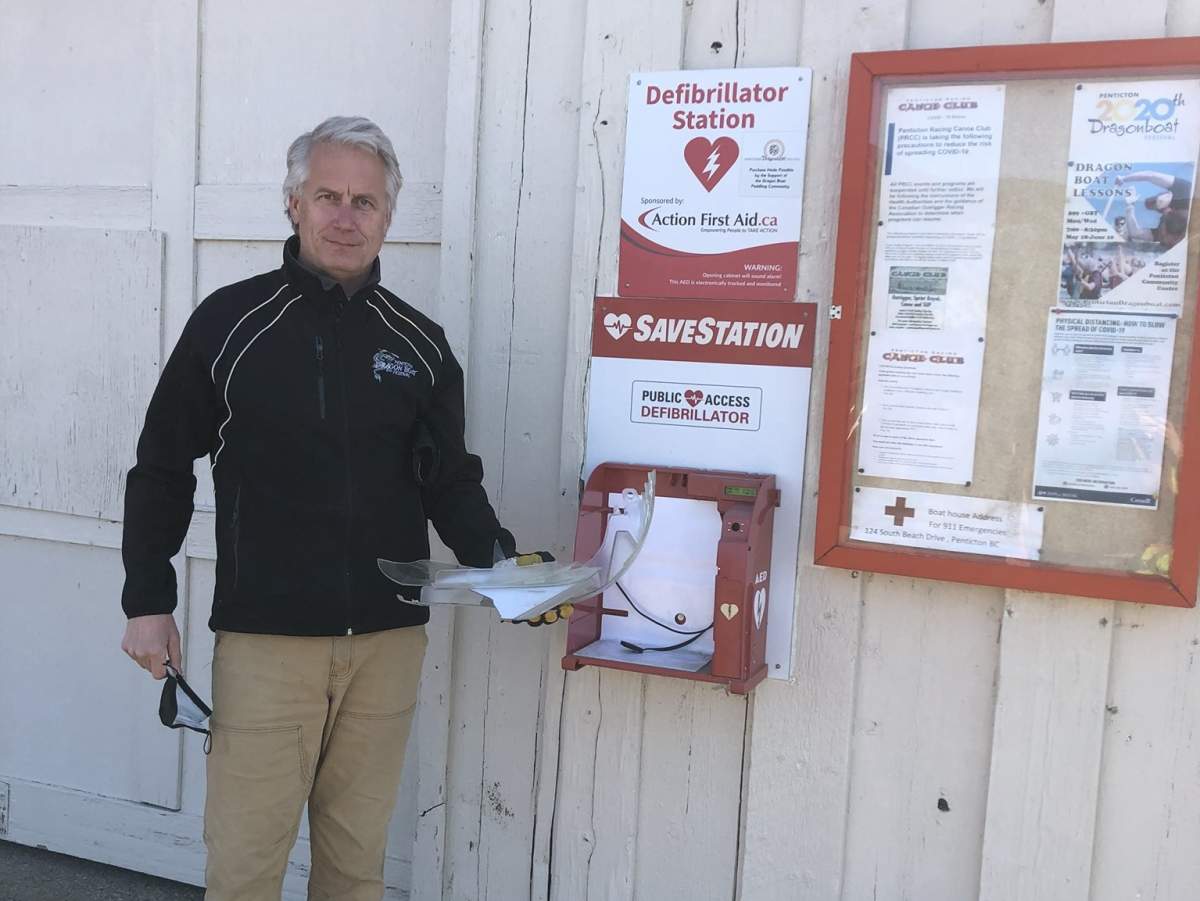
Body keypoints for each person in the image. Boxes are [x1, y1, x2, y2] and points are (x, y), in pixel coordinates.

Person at [120, 116, 521, 901]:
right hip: (268, 644)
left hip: (386, 644)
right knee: (244, 870)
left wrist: (505, 565)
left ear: (387, 216)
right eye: (328, 196)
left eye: (364, 201)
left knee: (355, 870)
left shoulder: (420, 344)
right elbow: (161, 468)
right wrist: (147, 599)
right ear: (294, 203)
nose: (346, 216)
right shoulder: (230, 324)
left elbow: (450, 481)